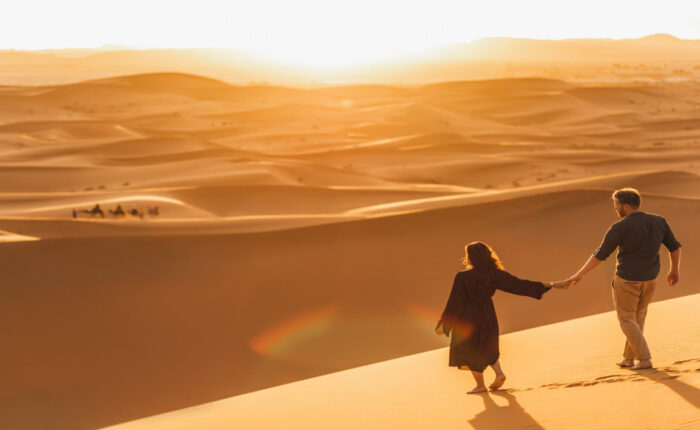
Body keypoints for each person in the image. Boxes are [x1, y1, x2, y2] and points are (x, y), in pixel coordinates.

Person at [567, 188, 681, 370]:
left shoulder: (619, 227)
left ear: (626, 206)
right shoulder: (658, 221)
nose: (615, 208)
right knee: (638, 318)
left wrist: (579, 274)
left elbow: (600, 254)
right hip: (650, 279)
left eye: (616, 204)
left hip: (627, 280)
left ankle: (644, 359)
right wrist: (674, 270)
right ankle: (628, 358)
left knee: (627, 319)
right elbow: (674, 247)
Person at [435, 241, 570, 394]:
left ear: (470, 258)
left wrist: (445, 323)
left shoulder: (462, 277)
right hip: (487, 314)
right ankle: (499, 373)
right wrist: (552, 284)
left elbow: (455, 301)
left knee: (468, 350)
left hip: (468, 317)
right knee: (487, 345)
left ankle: (480, 385)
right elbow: (520, 285)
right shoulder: (495, 275)